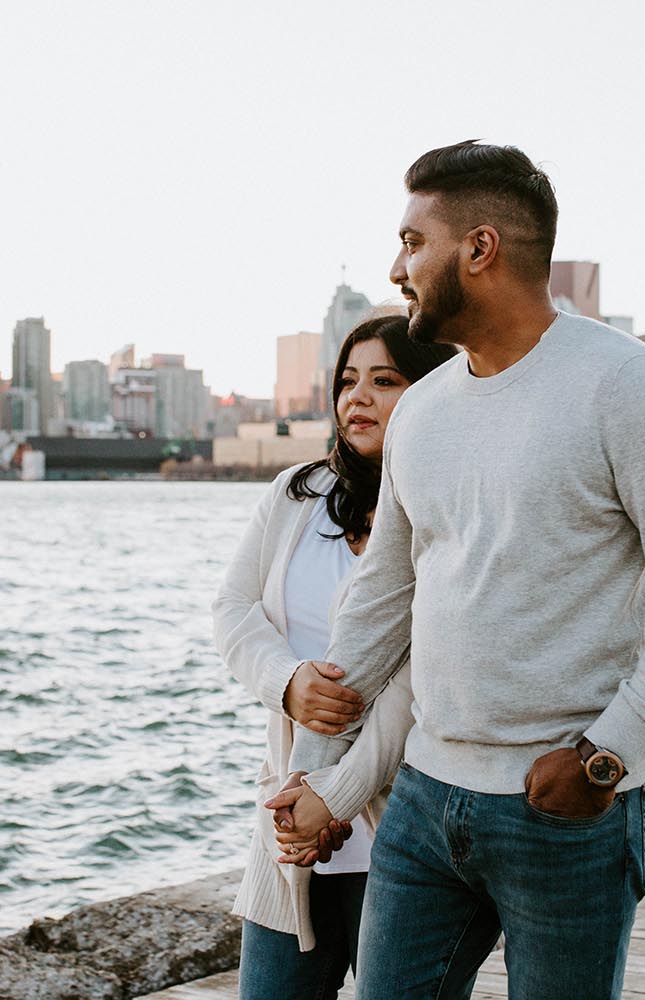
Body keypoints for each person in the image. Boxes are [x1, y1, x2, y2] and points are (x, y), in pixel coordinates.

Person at [281, 141, 645, 999]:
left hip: (567, 811)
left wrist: (606, 757)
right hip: (426, 803)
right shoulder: (425, 409)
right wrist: (316, 769)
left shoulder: (627, 388)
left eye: (412, 242)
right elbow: (381, 602)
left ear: (480, 248)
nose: (398, 268)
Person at [213, 314, 455, 999]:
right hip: (290, 820)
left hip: (404, 823)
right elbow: (232, 612)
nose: (358, 398)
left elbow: (423, 676)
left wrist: (338, 791)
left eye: (385, 380)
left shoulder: (451, 509)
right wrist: (286, 682)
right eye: (347, 381)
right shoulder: (297, 494)